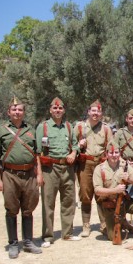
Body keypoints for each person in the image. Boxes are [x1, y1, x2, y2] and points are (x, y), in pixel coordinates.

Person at [0, 96, 43, 259]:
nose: (17, 112)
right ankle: (13, 243)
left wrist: (39, 174)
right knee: (11, 208)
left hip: (29, 175)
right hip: (10, 175)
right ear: (8, 112)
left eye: (20, 109)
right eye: (14, 109)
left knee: (28, 208)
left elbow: (37, 155)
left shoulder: (31, 130)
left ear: (24, 112)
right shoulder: (1, 130)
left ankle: (27, 241)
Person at [36, 97, 81, 248]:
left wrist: (74, 153)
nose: (57, 110)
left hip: (67, 168)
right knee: (48, 203)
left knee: (68, 201)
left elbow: (75, 145)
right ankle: (48, 236)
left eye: (60, 108)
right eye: (55, 108)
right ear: (50, 110)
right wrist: (39, 173)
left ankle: (67, 233)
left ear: (64, 110)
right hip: (50, 169)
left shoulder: (69, 127)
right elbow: (37, 152)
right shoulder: (43, 127)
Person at [74, 100, 113, 237]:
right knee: (85, 193)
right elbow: (72, 147)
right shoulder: (80, 127)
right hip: (85, 164)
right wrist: (79, 145)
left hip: (100, 164)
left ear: (101, 113)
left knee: (102, 194)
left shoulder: (106, 129)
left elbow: (110, 148)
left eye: (98, 111)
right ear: (89, 112)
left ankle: (104, 224)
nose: (95, 113)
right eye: (93, 111)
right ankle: (86, 224)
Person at [93, 141, 133, 241]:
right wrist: (114, 190)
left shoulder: (125, 166)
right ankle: (123, 223)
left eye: (116, 152)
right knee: (113, 237)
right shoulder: (100, 169)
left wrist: (129, 179)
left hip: (126, 202)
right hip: (111, 205)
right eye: (111, 153)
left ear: (119, 153)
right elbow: (97, 190)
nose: (114, 155)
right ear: (106, 154)